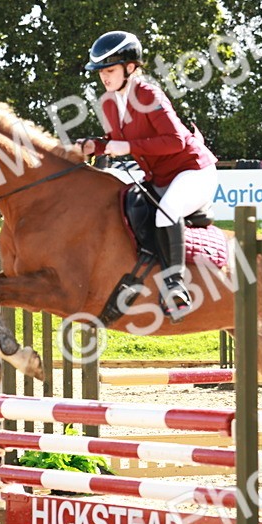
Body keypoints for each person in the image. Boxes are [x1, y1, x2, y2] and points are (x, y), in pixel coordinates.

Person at [77, 30, 217, 322]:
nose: (104, 77)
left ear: (130, 67)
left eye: (110, 70)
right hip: (159, 177)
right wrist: (93, 146)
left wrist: (127, 147)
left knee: (166, 213)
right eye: (101, 72)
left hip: (193, 171)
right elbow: (113, 140)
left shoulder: (149, 95)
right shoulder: (108, 102)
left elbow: (175, 141)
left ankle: (176, 286)